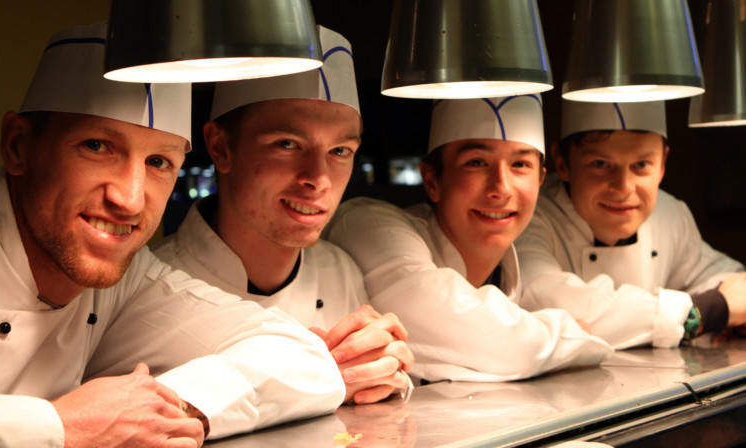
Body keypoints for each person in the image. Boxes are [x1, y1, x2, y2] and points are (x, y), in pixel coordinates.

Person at [0, 23, 346, 447]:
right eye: (96, 146)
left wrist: (160, 413)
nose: (129, 199)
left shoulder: (127, 280)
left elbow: (301, 358)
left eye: (159, 162)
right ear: (17, 146)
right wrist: (60, 427)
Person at [153, 26, 414, 405]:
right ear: (220, 147)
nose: (318, 179)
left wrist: (389, 374)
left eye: (340, 151)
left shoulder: (341, 269)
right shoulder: (152, 287)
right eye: (287, 144)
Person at [324, 95, 613, 383]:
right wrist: (568, 334)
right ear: (432, 181)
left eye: (520, 164)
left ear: (540, 180)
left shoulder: (513, 268)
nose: (501, 188)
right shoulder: (368, 224)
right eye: (476, 162)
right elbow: (504, 344)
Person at [515, 100, 746, 350]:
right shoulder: (528, 218)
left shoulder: (669, 214)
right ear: (562, 163)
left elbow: (721, 278)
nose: (624, 188)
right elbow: (559, 308)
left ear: (662, 164)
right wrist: (711, 310)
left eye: (641, 165)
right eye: (601, 164)